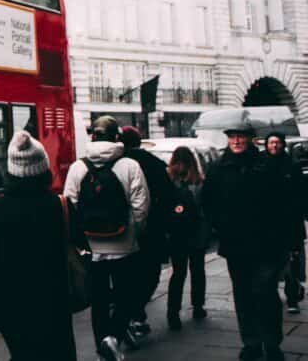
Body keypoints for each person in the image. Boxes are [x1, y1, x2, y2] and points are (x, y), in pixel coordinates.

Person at [0, 131, 77, 360]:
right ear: (43, 168)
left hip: (11, 306)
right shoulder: (58, 206)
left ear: (11, 170)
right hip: (52, 301)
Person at [64, 116, 149, 361]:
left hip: (91, 247)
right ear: (116, 138)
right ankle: (113, 337)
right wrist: (133, 233)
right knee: (125, 294)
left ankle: (102, 349)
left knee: (99, 300)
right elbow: (141, 207)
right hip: (124, 244)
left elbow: (70, 206)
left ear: (93, 137)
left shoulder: (78, 167)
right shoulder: (129, 165)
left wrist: (80, 240)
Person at [203, 123, 290, 361]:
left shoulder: (266, 165)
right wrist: (217, 226)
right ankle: (251, 342)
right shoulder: (218, 168)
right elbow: (207, 202)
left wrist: (287, 239)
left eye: (241, 136)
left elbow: (284, 204)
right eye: (232, 137)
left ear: (251, 139)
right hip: (236, 244)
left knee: (265, 292)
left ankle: (272, 343)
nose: (237, 141)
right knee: (243, 295)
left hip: (267, 244)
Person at [118, 124, 174, 338]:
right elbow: (169, 196)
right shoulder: (155, 164)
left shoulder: (115, 164)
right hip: (151, 229)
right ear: (139, 142)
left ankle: (130, 313)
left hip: (120, 230)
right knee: (150, 273)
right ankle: (137, 313)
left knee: (127, 274)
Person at [165, 146, 209, 331]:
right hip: (196, 232)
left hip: (177, 234)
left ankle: (173, 312)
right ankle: (198, 306)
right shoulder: (198, 181)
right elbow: (205, 209)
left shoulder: (169, 181)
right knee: (197, 270)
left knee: (178, 273)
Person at [264, 132, 307, 315]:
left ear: (282, 145)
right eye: (271, 143)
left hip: (290, 223)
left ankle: (292, 298)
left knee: (292, 263)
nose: (274, 146)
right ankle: (271, 297)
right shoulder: (260, 165)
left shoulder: (293, 166)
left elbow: (302, 194)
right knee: (270, 264)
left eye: (277, 142)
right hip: (268, 224)